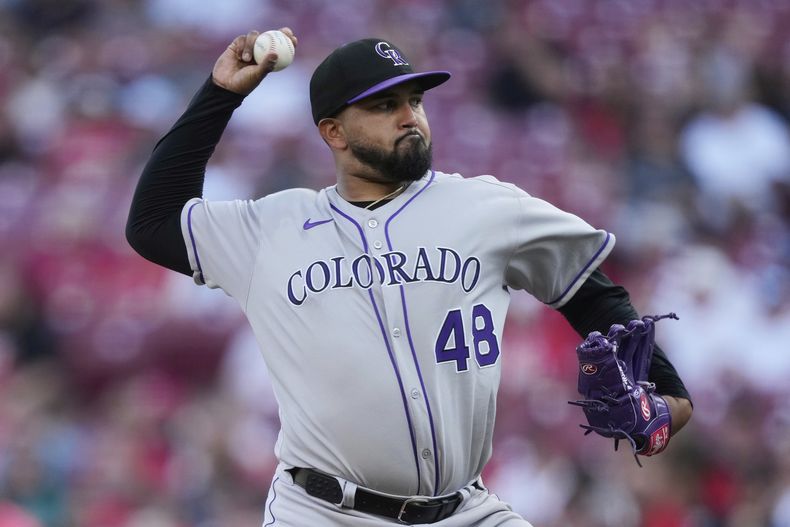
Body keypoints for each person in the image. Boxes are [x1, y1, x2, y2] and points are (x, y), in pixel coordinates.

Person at [126, 27, 693, 527]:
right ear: (334, 133)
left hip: (464, 509)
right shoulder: (270, 229)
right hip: (322, 512)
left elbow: (590, 291)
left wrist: (669, 394)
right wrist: (221, 95)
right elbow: (151, 221)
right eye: (384, 105)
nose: (409, 116)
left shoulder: (486, 209)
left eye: (414, 100)